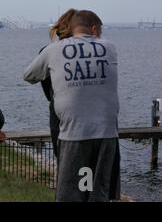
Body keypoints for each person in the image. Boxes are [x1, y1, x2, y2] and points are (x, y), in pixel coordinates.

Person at [24, 10, 120, 202]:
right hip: (107, 134)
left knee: (71, 194)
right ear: (94, 29)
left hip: (73, 133)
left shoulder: (52, 50)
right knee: (99, 193)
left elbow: (28, 75)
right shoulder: (110, 47)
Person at [41, 9, 78, 157]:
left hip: (58, 105)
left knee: (61, 152)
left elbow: (36, 77)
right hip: (86, 109)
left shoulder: (49, 51)